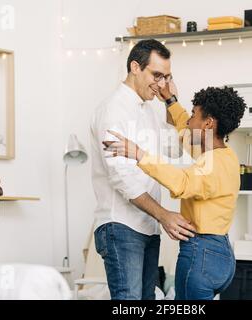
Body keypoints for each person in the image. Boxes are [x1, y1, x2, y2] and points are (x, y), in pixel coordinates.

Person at [103, 85, 247, 300]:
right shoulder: (220, 154)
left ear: (208, 123)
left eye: (194, 115)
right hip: (219, 255)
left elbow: (182, 182)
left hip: (201, 253)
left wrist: (139, 154)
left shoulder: (215, 163)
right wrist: (170, 101)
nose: (189, 120)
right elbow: (184, 129)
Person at [90, 39, 196, 300]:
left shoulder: (148, 110)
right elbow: (123, 179)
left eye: (166, 77)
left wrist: (171, 101)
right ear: (135, 67)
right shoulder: (113, 111)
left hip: (148, 228)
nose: (160, 84)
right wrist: (164, 215)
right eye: (156, 75)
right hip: (121, 226)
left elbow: (174, 148)